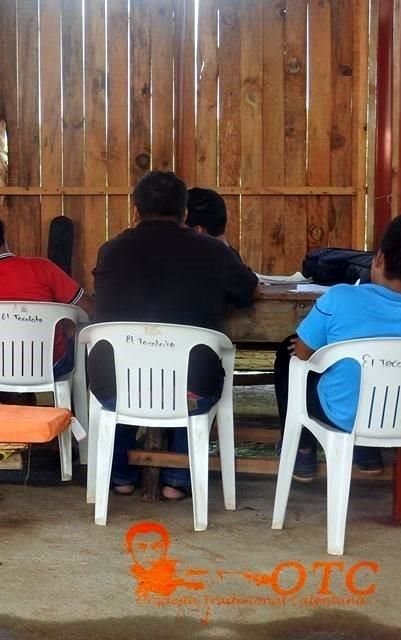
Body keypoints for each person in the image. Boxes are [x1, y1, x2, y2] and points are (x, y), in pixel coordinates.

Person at [91, 171, 258, 499]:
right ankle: (176, 480)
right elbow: (245, 289)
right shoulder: (212, 251)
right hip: (191, 389)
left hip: (115, 387)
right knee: (194, 369)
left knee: (129, 372)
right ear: (184, 212)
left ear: (135, 208)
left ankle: (121, 477)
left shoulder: (111, 251)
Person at [274, 215, 401, 481]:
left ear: (379, 258)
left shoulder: (340, 297)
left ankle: (301, 449)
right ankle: (367, 453)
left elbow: (301, 352)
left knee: (287, 355)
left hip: (341, 416)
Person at [0, 202, 93, 402]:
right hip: (53, 363)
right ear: (3, 228)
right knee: (73, 343)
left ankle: (13, 398)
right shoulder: (43, 268)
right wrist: (68, 324)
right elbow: (88, 308)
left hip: (0, 363)